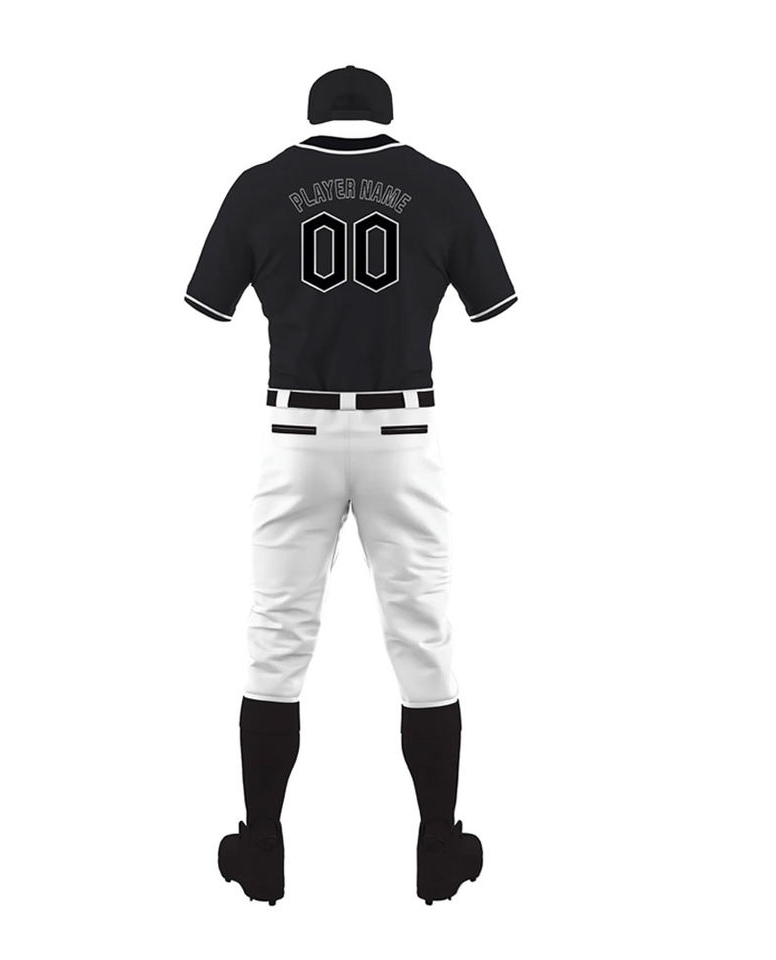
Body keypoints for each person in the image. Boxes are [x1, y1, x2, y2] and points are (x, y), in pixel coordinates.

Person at [183, 66, 517, 904]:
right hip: (403, 433)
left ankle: (261, 851)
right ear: (386, 114)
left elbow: (208, 308)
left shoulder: (260, 185)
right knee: (422, 635)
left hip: (295, 432)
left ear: (313, 115)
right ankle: (439, 851)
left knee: (277, 634)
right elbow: (492, 309)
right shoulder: (439, 184)